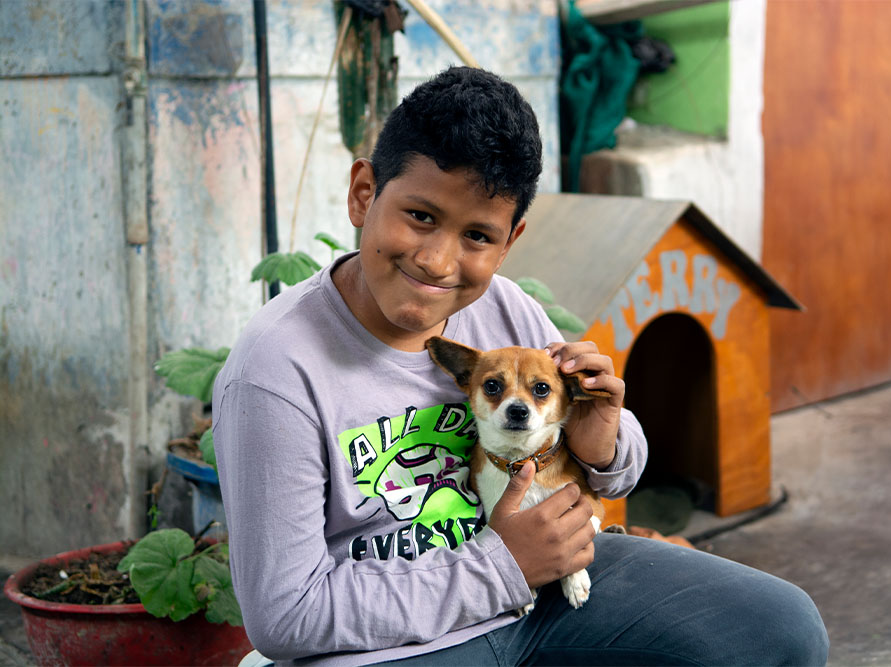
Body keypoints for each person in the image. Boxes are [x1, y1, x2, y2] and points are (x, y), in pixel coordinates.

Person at [213, 66, 829, 666]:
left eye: (478, 236)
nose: (436, 260)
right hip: (394, 643)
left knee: (780, 628)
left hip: (551, 588)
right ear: (364, 193)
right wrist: (501, 565)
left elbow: (616, 473)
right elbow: (285, 614)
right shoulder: (276, 371)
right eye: (421, 216)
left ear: (510, 241)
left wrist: (601, 441)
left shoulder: (506, 310)